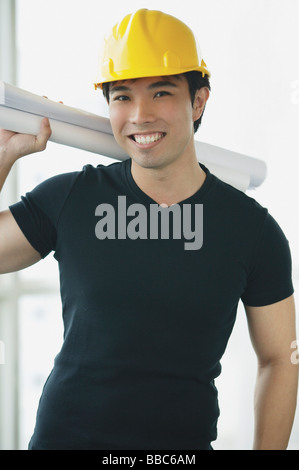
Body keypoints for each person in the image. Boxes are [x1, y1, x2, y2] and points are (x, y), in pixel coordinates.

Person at [0, 9, 298, 450]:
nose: (140, 115)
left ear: (198, 101)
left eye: (161, 92)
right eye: (122, 96)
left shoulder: (252, 230)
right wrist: (4, 155)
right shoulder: (73, 197)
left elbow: (280, 359)